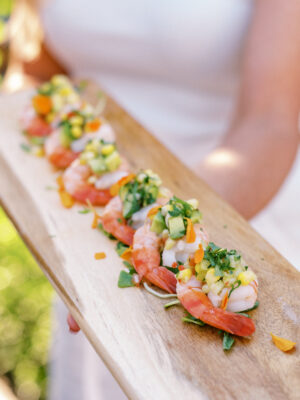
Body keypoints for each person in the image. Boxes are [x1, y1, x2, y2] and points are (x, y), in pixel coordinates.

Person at [24, 0, 300, 398]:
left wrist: (166, 220)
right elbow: (35, 70)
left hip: (235, 214)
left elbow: (270, 122)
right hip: (94, 237)